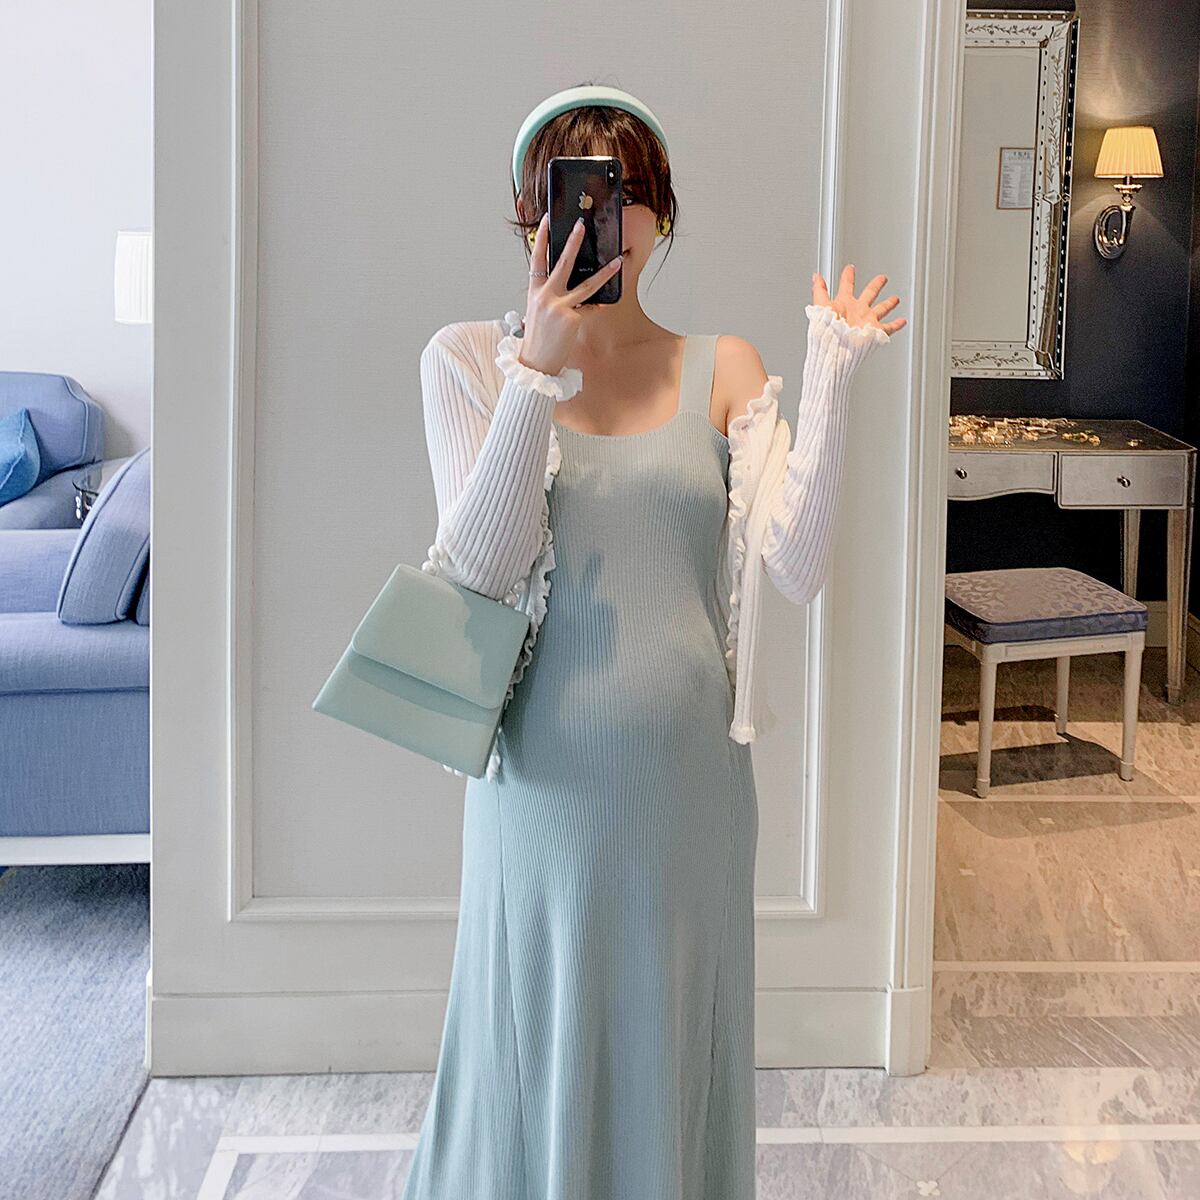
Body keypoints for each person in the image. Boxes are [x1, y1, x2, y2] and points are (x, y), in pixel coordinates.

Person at [403, 84, 905, 1200]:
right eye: (577, 191)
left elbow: (796, 564)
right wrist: (536, 373)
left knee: (672, 1049)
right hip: (537, 796)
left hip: (690, 799)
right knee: (530, 1050)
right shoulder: (467, 362)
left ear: (661, 213)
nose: (604, 217)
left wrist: (833, 372)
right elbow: (477, 565)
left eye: (626, 192)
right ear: (532, 212)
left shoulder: (723, 366)